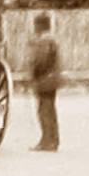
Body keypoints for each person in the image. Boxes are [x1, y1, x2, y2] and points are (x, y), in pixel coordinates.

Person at [29, 13, 60, 151]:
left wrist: (34, 73)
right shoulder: (51, 39)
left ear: (40, 26)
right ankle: (53, 140)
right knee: (50, 110)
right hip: (52, 78)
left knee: (44, 111)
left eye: (35, 25)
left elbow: (41, 61)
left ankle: (46, 141)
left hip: (45, 78)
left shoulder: (44, 40)